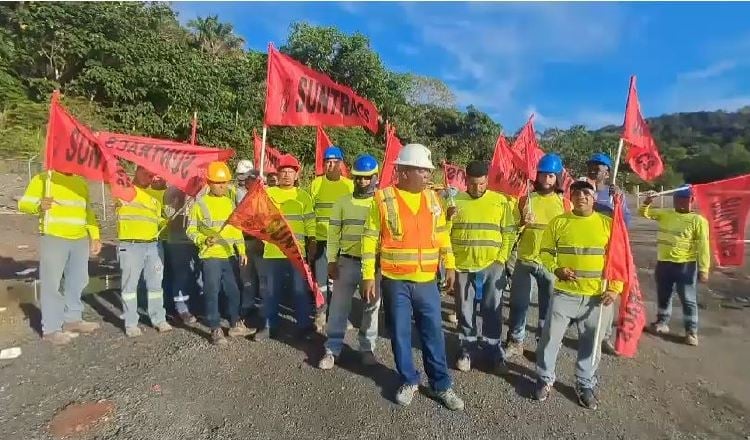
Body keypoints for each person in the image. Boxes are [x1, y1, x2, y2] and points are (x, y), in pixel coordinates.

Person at [361, 143, 464, 411]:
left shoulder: (433, 199)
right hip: (396, 281)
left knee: (433, 335)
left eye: (428, 171)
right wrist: (367, 275)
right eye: (422, 170)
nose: (428, 175)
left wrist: (450, 265)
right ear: (404, 172)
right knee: (400, 333)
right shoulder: (382, 199)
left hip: (427, 281)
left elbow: (442, 234)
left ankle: (441, 385)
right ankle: (408, 379)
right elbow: (369, 239)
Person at [533, 180, 622, 410]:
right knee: (550, 339)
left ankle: (584, 384)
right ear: (570, 198)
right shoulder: (559, 223)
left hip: (597, 298)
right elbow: (545, 252)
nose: (581, 196)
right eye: (576, 192)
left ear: (594, 198)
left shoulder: (608, 225)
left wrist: (615, 288)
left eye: (586, 192)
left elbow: (619, 261)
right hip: (565, 294)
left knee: (592, 345)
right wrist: (556, 269)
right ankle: (544, 378)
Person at [18, 170, 102, 345]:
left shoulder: (81, 182)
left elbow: (87, 212)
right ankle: (51, 329)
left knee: (78, 280)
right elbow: (23, 204)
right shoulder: (44, 178)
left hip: (79, 239)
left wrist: (94, 236)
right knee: (52, 284)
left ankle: (73, 320)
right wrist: (39, 205)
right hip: (54, 237)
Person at [448, 160, 514, 373]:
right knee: (465, 309)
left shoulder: (500, 201)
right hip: (462, 266)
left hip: (492, 265)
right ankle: (466, 349)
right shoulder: (453, 200)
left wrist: (501, 259)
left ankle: (494, 351)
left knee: (492, 309)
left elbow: (509, 231)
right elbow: (442, 232)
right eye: (474, 184)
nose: (478, 189)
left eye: (482, 184)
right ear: (465, 180)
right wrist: (448, 218)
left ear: (487, 180)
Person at [318, 154, 381, 370]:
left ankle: (367, 348)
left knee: (371, 308)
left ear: (375, 177)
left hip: (372, 267)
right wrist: (332, 260)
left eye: (367, 178)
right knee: (338, 307)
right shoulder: (342, 202)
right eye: (358, 178)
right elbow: (333, 234)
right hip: (346, 262)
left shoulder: (381, 203)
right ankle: (332, 349)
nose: (362, 182)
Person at [505, 154, 571, 357]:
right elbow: (512, 229)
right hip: (525, 260)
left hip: (550, 264)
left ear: (557, 178)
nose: (546, 180)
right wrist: (522, 222)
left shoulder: (565, 204)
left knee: (548, 307)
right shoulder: (525, 199)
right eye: (543, 175)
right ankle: (515, 341)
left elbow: (568, 235)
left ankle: (543, 343)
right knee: (518, 304)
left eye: (551, 176)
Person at [186, 162, 254, 345]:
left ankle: (234, 324)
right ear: (209, 182)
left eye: (225, 182)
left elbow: (235, 229)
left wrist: (241, 250)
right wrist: (203, 240)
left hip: (228, 255)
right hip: (210, 256)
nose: (223, 186)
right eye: (218, 183)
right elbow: (191, 230)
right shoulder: (200, 204)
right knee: (212, 291)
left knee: (233, 291)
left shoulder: (229, 202)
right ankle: (215, 327)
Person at [640, 185, 709, 346]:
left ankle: (691, 332)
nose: (680, 203)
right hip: (664, 264)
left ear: (692, 200)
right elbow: (643, 213)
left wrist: (704, 269)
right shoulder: (666, 214)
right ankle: (661, 323)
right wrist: (647, 202)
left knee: (688, 299)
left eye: (685, 199)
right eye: (677, 199)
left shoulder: (698, 221)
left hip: (685, 266)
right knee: (664, 295)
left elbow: (704, 247)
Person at [260, 154, 317, 339]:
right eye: (282, 171)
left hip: (296, 253)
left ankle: (304, 326)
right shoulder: (267, 193)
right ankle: (269, 325)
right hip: (272, 251)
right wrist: (256, 190)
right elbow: (259, 218)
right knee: (270, 291)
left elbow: (310, 224)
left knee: (299, 290)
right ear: (277, 174)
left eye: (290, 172)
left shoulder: (303, 197)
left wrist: (312, 244)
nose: (286, 175)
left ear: (296, 175)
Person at [115, 166, 172, 337]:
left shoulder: (153, 198)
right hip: (131, 245)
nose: (149, 177)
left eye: (151, 174)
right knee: (130, 286)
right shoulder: (124, 191)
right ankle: (131, 323)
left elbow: (155, 220)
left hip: (153, 245)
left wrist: (165, 221)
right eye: (145, 173)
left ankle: (159, 319)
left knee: (155, 286)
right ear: (136, 171)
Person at [584, 152, 631, 355]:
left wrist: (617, 203)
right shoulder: (579, 189)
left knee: (607, 294)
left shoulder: (615, 195)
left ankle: (604, 338)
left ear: (608, 171)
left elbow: (625, 222)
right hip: (584, 249)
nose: (594, 168)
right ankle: (584, 332)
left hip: (607, 251)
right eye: (592, 165)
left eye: (599, 166)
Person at [309, 146, 354, 331]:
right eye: (327, 161)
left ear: (341, 164)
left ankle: (339, 316)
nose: (331, 165)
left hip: (341, 242)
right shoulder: (316, 184)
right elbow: (309, 213)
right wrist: (311, 238)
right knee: (320, 282)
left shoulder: (349, 185)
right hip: (320, 240)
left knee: (339, 282)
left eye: (335, 161)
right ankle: (320, 314)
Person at [233, 159, 263, 318]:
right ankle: (247, 304)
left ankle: (265, 306)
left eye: (245, 175)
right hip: (242, 241)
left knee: (262, 277)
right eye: (240, 175)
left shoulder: (260, 192)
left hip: (258, 240)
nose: (242, 178)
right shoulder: (234, 192)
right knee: (246, 277)